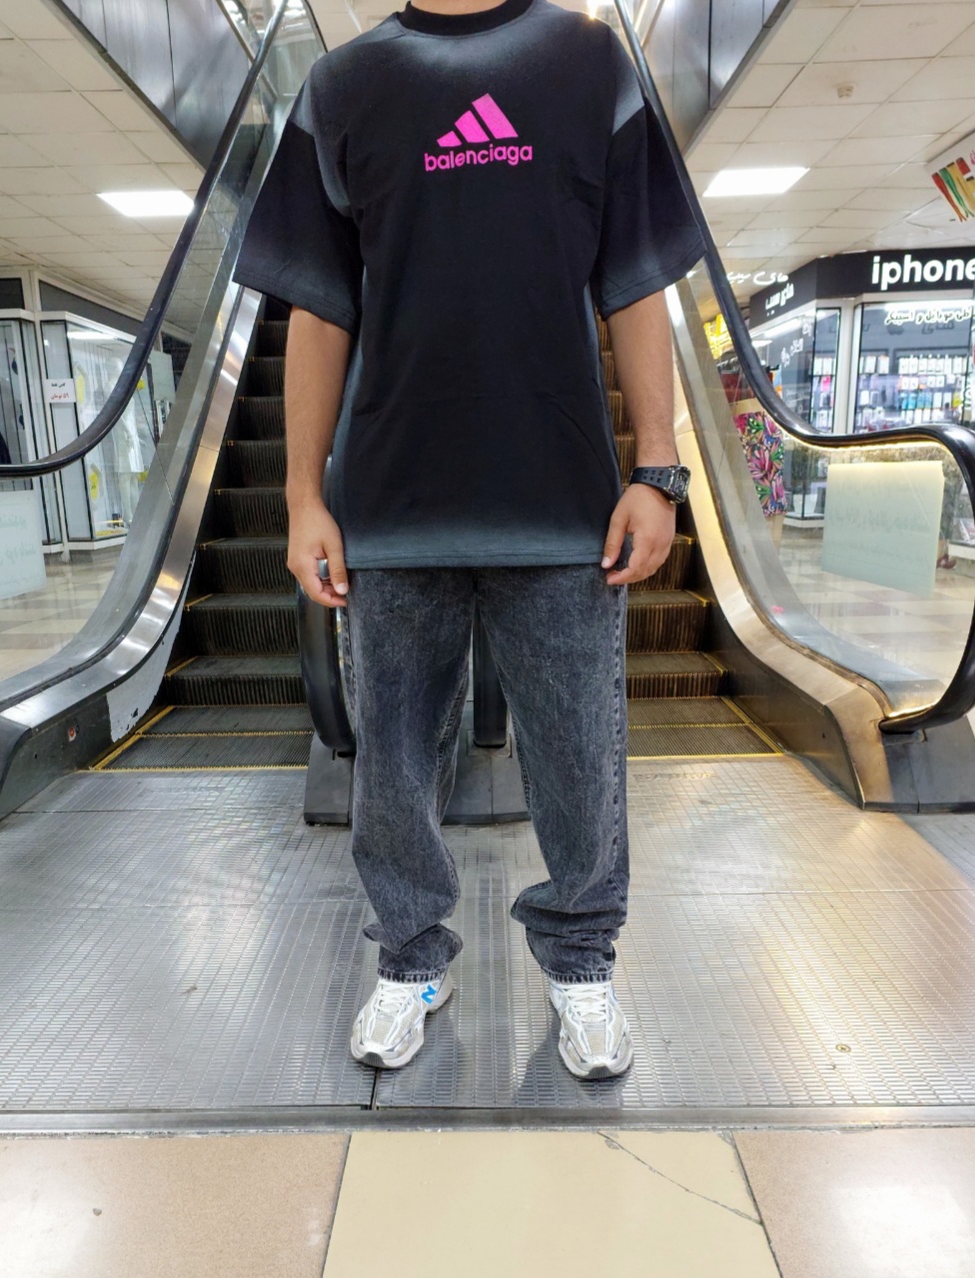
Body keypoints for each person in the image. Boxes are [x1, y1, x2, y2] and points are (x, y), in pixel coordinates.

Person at [234, 0, 704, 1079]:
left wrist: (658, 468)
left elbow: (638, 279)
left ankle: (581, 964)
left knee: (579, 760)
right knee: (392, 768)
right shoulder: (340, 88)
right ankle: (410, 961)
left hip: (562, 506)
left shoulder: (590, 62)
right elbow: (318, 310)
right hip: (393, 507)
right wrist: (302, 497)